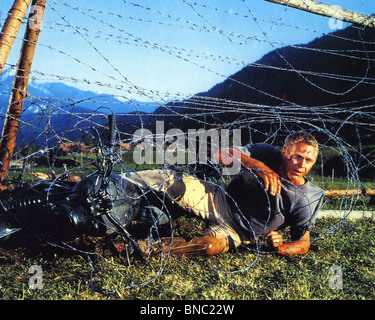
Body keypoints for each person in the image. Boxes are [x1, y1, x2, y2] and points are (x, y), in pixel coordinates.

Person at [119, 130, 324, 257]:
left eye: (309, 161)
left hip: (239, 232)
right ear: (284, 153)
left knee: (209, 246)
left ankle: (134, 247)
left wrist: (281, 247)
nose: (302, 165)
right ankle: (121, 180)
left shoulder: (309, 196)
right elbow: (220, 155)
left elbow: (303, 242)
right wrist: (255, 164)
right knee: (178, 184)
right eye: (297, 157)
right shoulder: (264, 153)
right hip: (221, 200)